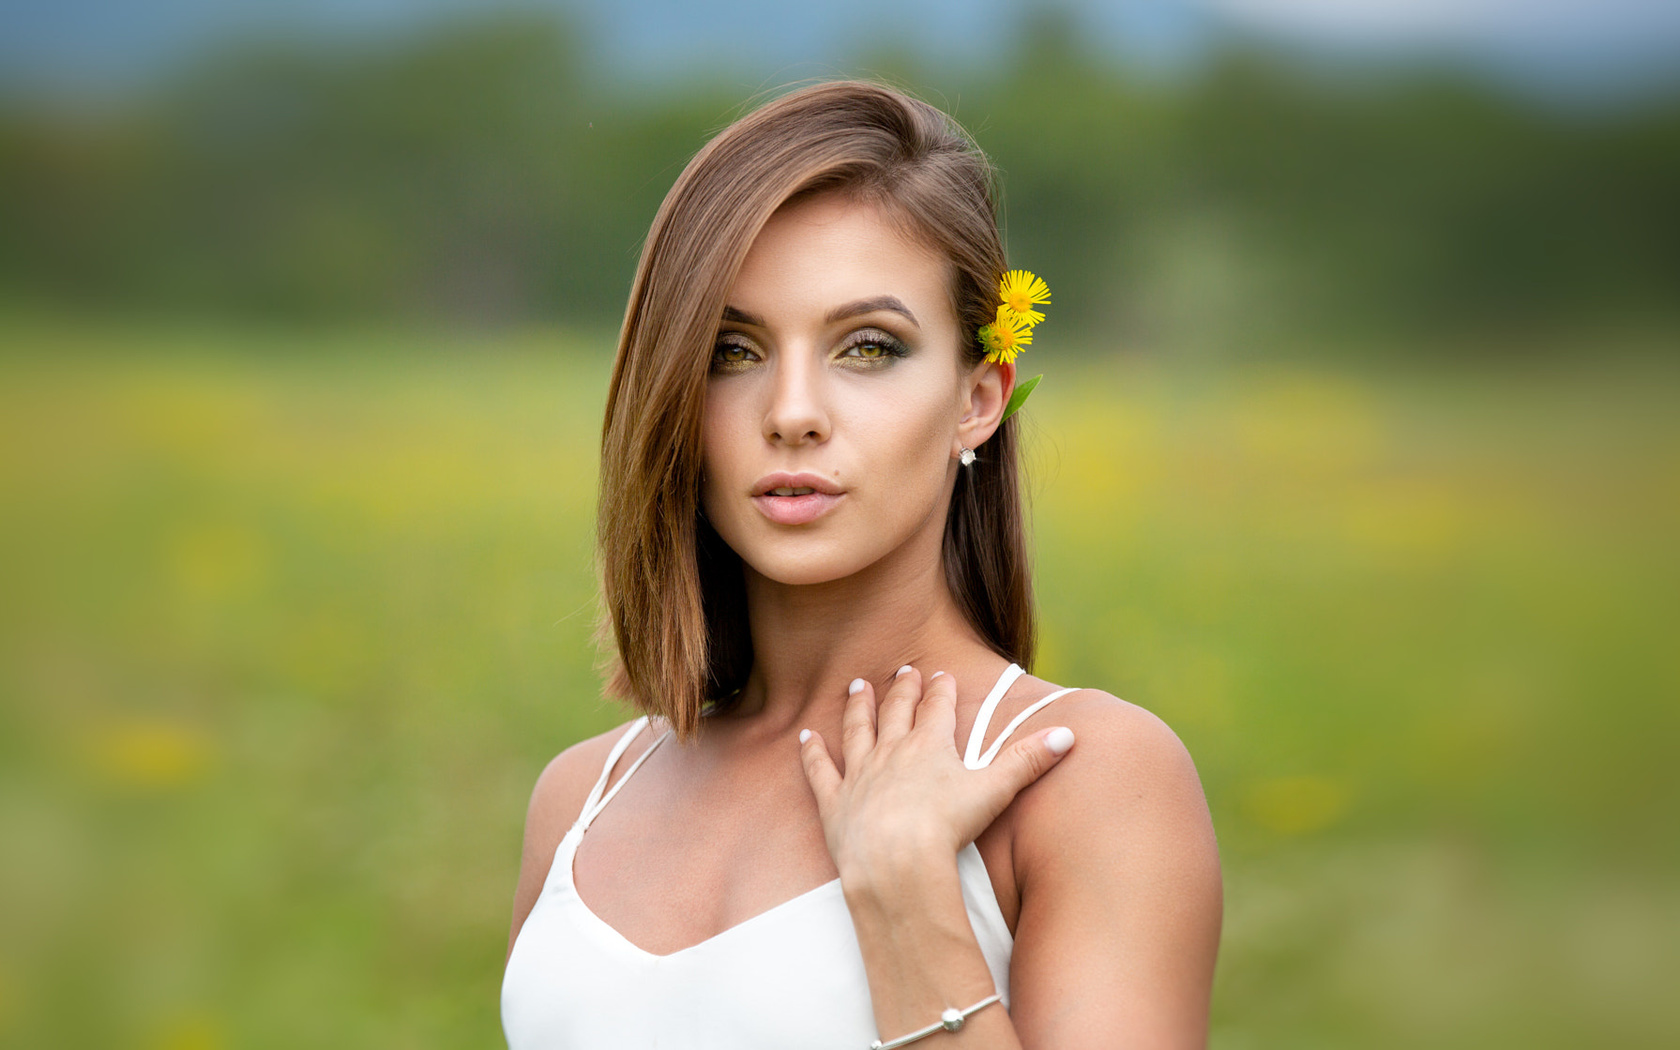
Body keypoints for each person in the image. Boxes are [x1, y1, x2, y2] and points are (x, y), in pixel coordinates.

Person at [501, 80, 1222, 1049]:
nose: (792, 411)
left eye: (868, 347)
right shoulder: (581, 799)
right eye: (730, 350)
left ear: (978, 398)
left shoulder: (1081, 781)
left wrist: (907, 894)